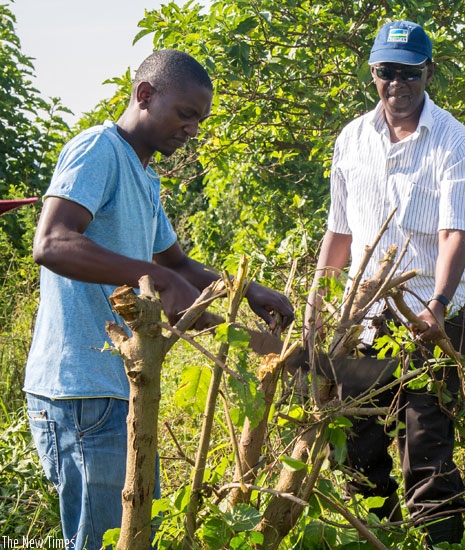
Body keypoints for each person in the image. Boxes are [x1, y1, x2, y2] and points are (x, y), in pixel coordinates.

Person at [24, 49, 294, 549]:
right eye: (186, 114)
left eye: (200, 120)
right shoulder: (98, 150)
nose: (193, 129)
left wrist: (247, 290)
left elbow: (176, 266)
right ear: (144, 95)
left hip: (118, 389)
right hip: (81, 392)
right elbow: (53, 242)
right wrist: (155, 276)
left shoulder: (144, 177)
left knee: (137, 536)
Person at [304, 20, 465, 546]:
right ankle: (381, 538)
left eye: (409, 74)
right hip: (363, 318)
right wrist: (320, 300)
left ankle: (439, 542)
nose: (397, 85)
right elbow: (339, 231)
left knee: (425, 445)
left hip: (433, 314)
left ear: (428, 73)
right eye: (386, 73)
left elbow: (455, 234)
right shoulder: (352, 138)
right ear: (373, 74)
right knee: (357, 437)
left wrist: (438, 307)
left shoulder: (454, 141)